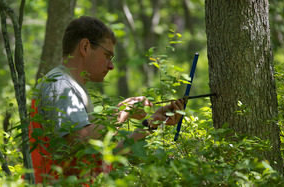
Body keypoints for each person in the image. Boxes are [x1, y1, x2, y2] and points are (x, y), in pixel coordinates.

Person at [29, 16, 184, 184]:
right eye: (107, 55)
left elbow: (99, 160)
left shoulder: (72, 88)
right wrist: (123, 111)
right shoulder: (60, 86)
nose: (111, 66)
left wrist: (151, 124)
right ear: (85, 47)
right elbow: (81, 141)